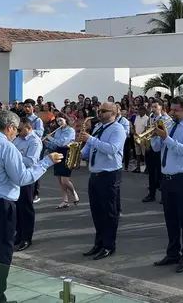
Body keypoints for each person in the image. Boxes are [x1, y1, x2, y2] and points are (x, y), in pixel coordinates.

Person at [0, 111, 63, 303]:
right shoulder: (6, 146)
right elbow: (22, 178)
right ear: (9, 127)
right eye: (15, 130)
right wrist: (46, 162)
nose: (16, 134)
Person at [151, 96, 183, 273]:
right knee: (170, 219)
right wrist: (156, 136)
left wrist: (166, 138)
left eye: (176, 110)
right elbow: (157, 149)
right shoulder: (170, 125)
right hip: (167, 178)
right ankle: (173, 252)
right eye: (171, 109)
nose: (172, 113)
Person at [78, 101, 126, 260]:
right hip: (95, 173)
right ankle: (98, 243)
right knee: (97, 211)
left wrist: (90, 139)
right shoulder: (99, 127)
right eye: (99, 111)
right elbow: (91, 147)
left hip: (110, 174)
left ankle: (109, 245)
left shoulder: (118, 129)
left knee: (109, 212)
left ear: (113, 113)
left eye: (103, 111)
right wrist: (80, 152)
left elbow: (112, 149)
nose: (99, 114)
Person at [13, 119, 42, 251]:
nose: (17, 133)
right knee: (17, 208)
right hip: (16, 176)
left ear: (28, 128)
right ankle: (18, 234)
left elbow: (30, 161)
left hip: (28, 178)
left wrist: (15, 157)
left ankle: (26, 238)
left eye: (20, 130)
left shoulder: (34, 141)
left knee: (26, 208)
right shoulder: (18, 139)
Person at [44, 113, 78, 209]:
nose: (59, 123)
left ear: (65, 120)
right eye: (57, 121)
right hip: (58, 153)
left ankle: (74, 193)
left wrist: (50, 137)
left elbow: (62, 143)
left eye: (61, 121)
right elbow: (55, 146)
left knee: (65, 180)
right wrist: (46, 142)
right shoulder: (58, 131)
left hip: (67, 154)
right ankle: (65, 200)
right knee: (59, 180)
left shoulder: (70, 130)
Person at [142, 100, 169, 203]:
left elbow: (166, 134)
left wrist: (156, 132)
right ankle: (151, 194)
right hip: (151, 147)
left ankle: (164, 195)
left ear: (161, 107)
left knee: (161, 173)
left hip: (160, 148)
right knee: (151, 173)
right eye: (152, 107)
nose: (153, 109)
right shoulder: (151, 119)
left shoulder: (165, 119)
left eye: (155, 107)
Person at [22, 99, 45, 203]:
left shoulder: (37, 120)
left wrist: (28, 129)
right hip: (23, 144)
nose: (26, 108)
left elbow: (40, 132)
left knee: (34, 166)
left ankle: (36, 192)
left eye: (29, 106)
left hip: (34, 145)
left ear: (33, 107)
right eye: (25, 106)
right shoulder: (22, 118)